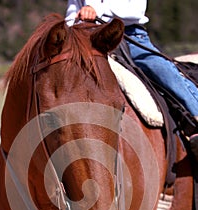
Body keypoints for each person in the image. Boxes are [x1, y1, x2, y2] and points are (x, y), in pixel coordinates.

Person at [65, 0, 198, 157]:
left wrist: (96, 9)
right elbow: (73, 8)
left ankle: (195, 113)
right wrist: (72, 22)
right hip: (86, 36)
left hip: (129, 35)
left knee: (160, 69)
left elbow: (135, 9)